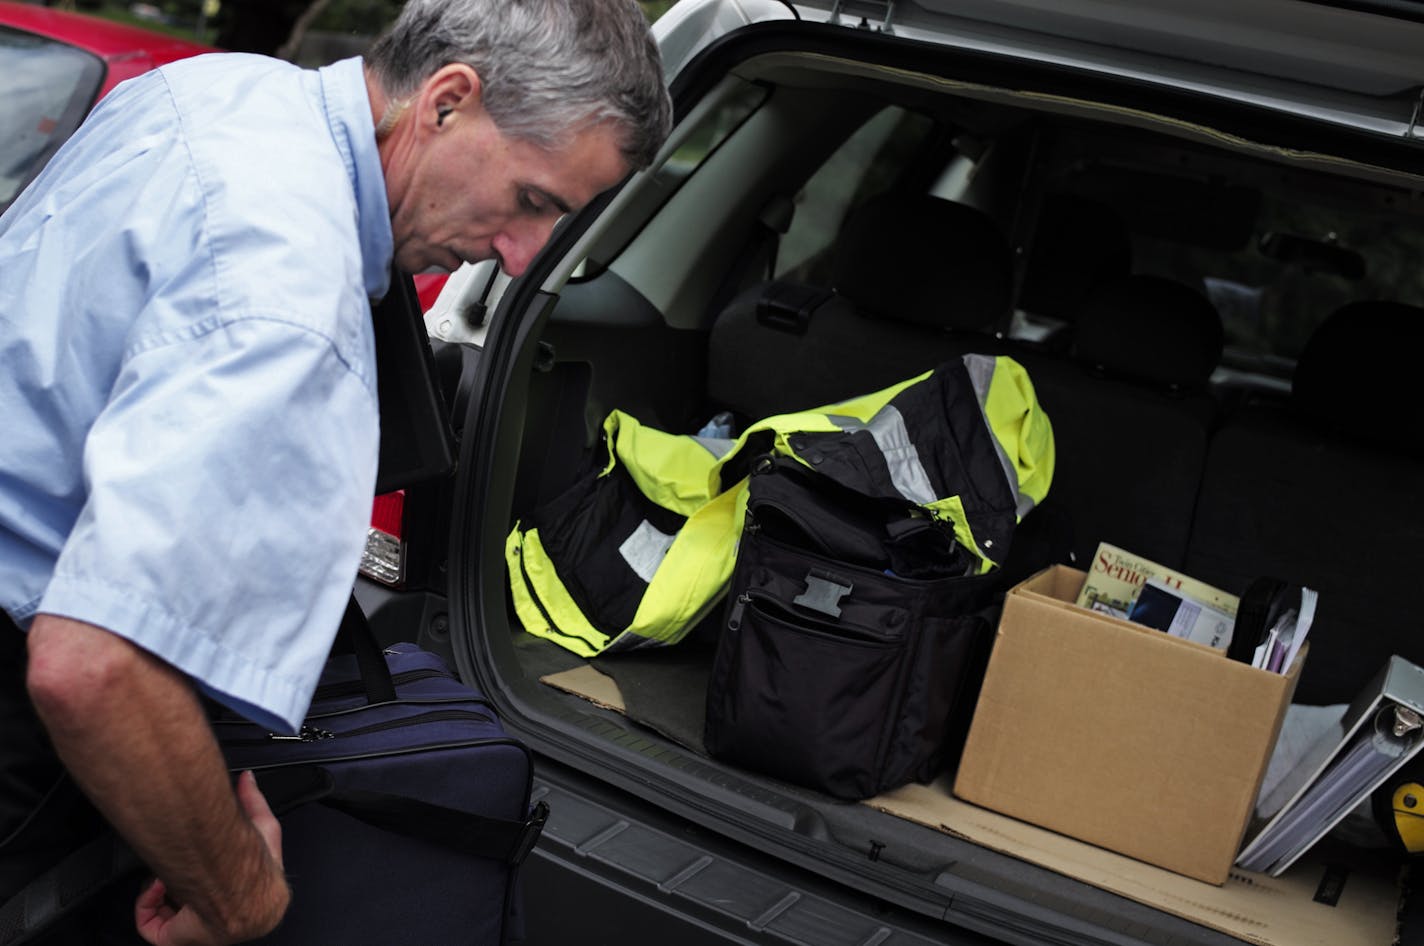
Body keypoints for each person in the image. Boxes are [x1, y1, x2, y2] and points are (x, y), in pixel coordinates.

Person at [0, 0, 671, 941]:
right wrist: (244, 897)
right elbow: (93, 665)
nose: (522, 259)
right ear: (445, 102)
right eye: (532, 202)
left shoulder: (223, 90)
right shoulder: (290, 306)